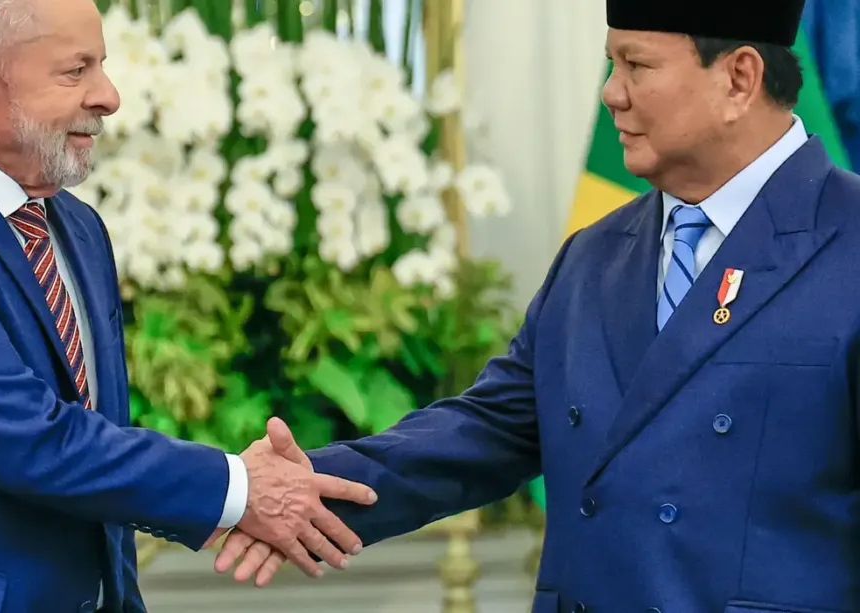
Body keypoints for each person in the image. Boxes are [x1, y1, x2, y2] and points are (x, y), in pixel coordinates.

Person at [216, 0, 860, 610]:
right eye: (611, 63)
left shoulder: (848, 243)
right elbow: (484, 433)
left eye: (637, 65)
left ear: (739, 79)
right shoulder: (595, 256)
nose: (611, 93)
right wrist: (295, 488)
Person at [0, 0, 376, 611]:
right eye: (76, 71)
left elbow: (99, 439)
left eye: (102, 66)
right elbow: (27, 438)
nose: (109, 97)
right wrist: (238, 489)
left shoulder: (76, 226)